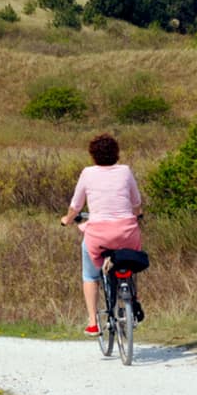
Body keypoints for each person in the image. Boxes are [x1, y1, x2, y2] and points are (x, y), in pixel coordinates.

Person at [60, 133, 142, 336]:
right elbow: (136, 202)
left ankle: (93, 322)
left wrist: (67, 220)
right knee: (131, 263)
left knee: (89, 275)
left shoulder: (88, 173)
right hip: (126, 232)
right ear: (116, 153)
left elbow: (76, 206)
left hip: (98, 235)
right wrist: (138, 214)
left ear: (93, 155)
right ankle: (132, 298)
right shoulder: (125, 171)